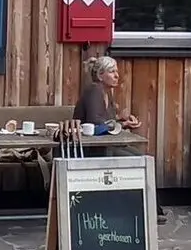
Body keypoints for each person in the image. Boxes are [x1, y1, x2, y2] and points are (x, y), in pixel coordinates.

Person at [67, 56, 165, 222]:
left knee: (144, 160)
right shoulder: (94, 91)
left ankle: (150, 209)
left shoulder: (107, 93)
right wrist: (120, 124)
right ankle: (148, 211)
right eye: (112, 72)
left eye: (117, 72)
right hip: (91, 149)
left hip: (106, 145)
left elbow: (107, 122)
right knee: (139, 162)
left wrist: (123, 122)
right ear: (100, 76)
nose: (117, 75)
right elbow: (95, 122)